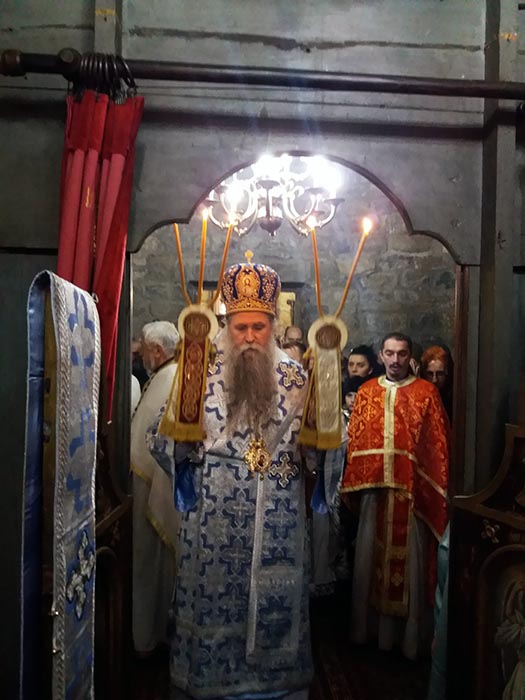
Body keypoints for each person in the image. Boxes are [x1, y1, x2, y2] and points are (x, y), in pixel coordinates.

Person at [150, 261, 321, 700]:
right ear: (226, 326)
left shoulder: (298, 379)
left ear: (273, 326)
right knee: (211, 603)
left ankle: (275, 686)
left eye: (258, 327)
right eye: (240, 327)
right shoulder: (198, 374)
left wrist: (319, 451)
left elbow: (318, 449)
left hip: (277, 518)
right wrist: (183, 448)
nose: (248, 337)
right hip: (214, 524)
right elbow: (160, 440)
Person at [341, 331, 449, 659]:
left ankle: (408, 639)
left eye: (402, 354)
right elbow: (357, 439)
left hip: (410, 495)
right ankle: (370, 632)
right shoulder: (367, 392)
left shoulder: (426, 393)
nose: (395, 360)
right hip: (375, 493)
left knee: (411, 568)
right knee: (368, 562)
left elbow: (436, 446)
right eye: (389, 353)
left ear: (410, 356)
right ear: (381, 356)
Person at [131, 320, 180, 656]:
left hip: (150, 489)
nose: (142, 356)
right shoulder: (168, 376)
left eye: (145, 350)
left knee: (150, 563)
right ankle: (153, 631)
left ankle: (147, 636)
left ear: (158, 350)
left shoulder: (168, 378)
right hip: (151, 485)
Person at [421, 345, 454, 421]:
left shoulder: (454, 400)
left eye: (440, 374)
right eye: (430, 374)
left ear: (447, 373)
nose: (434, 380)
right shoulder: (418, 398)